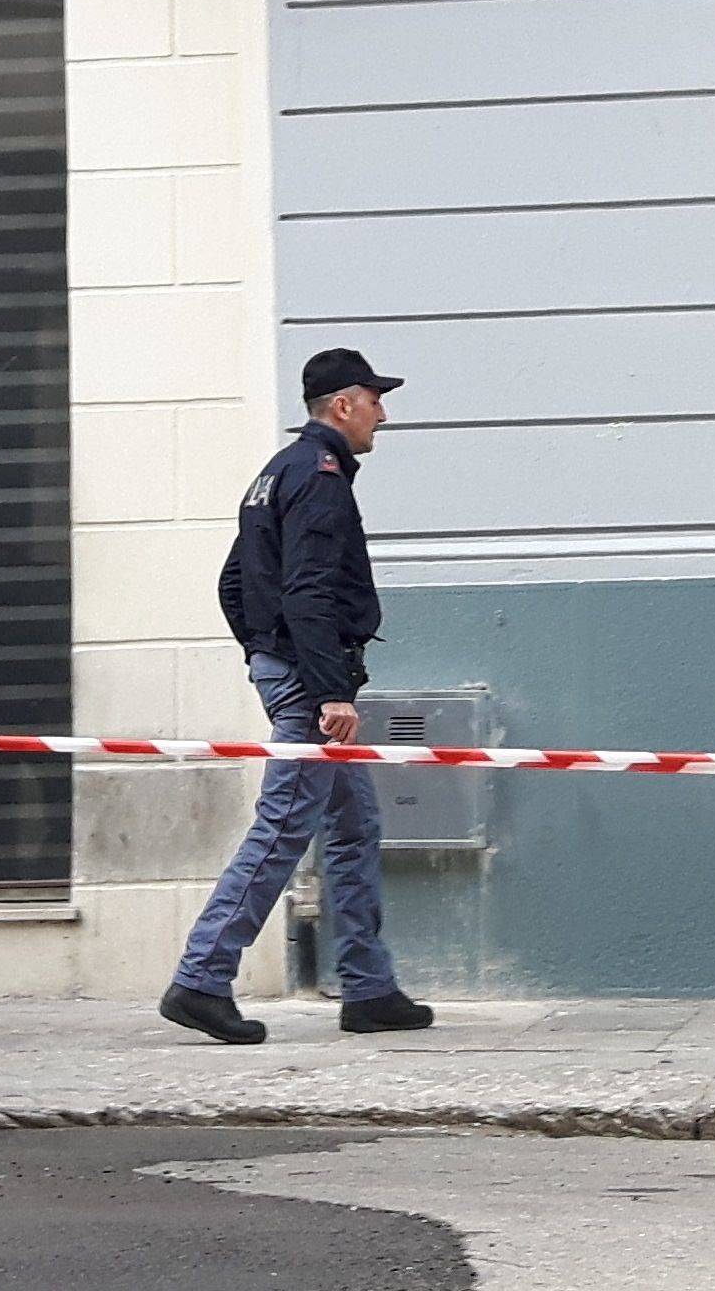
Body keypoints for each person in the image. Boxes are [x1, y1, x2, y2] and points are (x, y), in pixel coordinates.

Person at [161, 348, 432, 1047]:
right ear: (342, 405)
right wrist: (325, 690)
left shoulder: (276, 474)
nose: (383, 413)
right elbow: (308, 591)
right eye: (375, 398)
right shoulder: (319, 477)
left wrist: (262, 655)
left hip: (292, 675)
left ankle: (368, 988)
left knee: (353, 827)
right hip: (313, 688)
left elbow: (234, 582)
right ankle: (201, 977)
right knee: (283, 827)